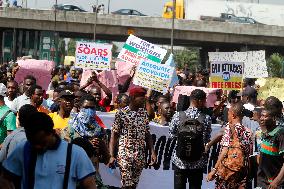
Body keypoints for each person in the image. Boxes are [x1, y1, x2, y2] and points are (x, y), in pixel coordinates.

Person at [1, 112, 97, 189]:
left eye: (41, 142)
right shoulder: (23, 149)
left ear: (52, 132)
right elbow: (4, 178)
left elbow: (89, 185)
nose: (37, 146)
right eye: (33, 142)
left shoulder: (74, 153)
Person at [108, 87, 157, 189]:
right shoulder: (121, 113)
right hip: (125, 154)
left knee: (133, 185)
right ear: (134, 97)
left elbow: (147, 134)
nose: (144, 99)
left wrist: (152, 152)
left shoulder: (143, 113)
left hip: (139, 155)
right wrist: (111, 155)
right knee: (127, 184)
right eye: (141, 97)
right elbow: (114, 135)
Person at [169, 89, 212, 189]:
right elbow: (206, 138)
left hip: (180, 161)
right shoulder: (206, 118)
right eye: (204, 100)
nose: (205, 103)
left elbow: (171, 136)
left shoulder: (178, 116)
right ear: (199, 101)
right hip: (198, 162)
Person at [207, 102, 253, 189]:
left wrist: (214, 170)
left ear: (233, 115)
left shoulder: (230, 128)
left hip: (227, 170)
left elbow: (224, 151)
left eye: (228, 113)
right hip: (241, 172)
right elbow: (248, 152)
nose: (227, 116)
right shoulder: (248, 132)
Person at [257, 109, 284, 189]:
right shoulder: (265, 133)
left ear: (274, 118)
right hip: (263, 181)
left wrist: (277, 181)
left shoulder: (280, 134)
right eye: (261, 115)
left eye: (265, 116)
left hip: (275, 184)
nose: (261, 118)